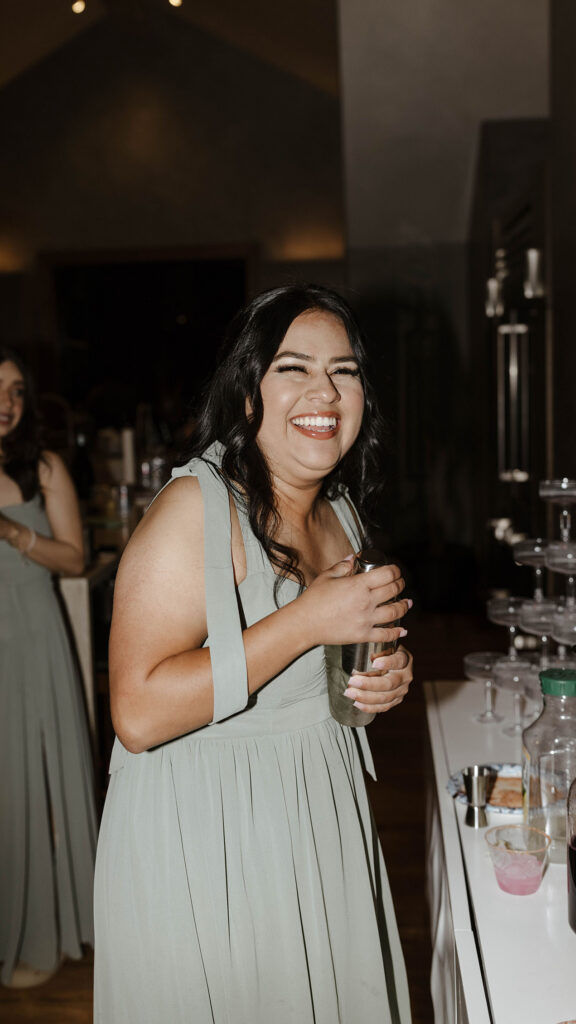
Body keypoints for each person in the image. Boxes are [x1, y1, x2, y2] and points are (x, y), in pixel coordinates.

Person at [94, 284, 414, 1023]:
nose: (324, 391)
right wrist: (306, 621)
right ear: (246, 393)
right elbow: (136, 713)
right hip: (204, 835)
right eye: (293, 368)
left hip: (313, 811)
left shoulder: (340, 512)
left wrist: (383, 676)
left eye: (343, 371)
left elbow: (322, 671)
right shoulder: (195, 508)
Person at [0, 345, 96, 988]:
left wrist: (11, 533)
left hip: (30, 637)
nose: (7, 402)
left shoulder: (43, 467)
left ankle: (39, 935)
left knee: (25, 785)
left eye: (18, 391)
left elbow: (75, 559)